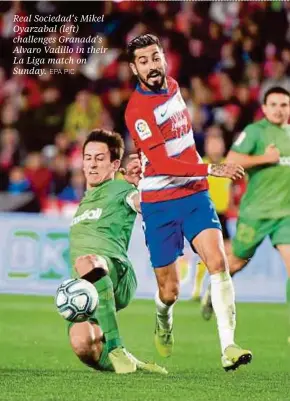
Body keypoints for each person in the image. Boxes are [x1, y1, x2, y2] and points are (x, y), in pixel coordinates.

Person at [125, 33, 252, 371]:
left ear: (164, 58)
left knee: (218, 263)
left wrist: (200, 172)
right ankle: (162, 320)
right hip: (160, 202)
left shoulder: (174, 85)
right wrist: (212, 167)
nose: (152, 66)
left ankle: (229, 347)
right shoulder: (137, 110)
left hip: (194, 193)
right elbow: (164, 163)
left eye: (155, 58)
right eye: (144, 61)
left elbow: (182, 141)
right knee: (170, 292)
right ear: (133, 68)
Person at [68, 128, 166, 374]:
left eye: (99, 158)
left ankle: (116, 346)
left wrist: (148, 184)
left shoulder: (122, 190)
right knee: (83, 345)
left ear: (114, 164)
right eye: (88, 158)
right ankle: (132, 364)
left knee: (86, 260)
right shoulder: (85, 200)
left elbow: (141, 204)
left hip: (116, 273)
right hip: (87, 284)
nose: (92, 164)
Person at [201, 86, 290, 342]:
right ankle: (213, 290)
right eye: (273, 104)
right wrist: (265, 158)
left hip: (285, 215)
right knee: (237, 262)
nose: (278, 109)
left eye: (284, 105)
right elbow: (231, 160)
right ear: (264, 108)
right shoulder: (255, 132)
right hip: (255, 213)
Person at [192, 134, 232, 302]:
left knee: (229, 254)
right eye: (212, 143)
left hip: (222, 215)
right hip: (205, 214)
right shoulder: (200, 165)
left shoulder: (229, 165)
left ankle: (218, 289)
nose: (215, 147)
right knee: (206, 255)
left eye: (218, 142)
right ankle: (197, 290)